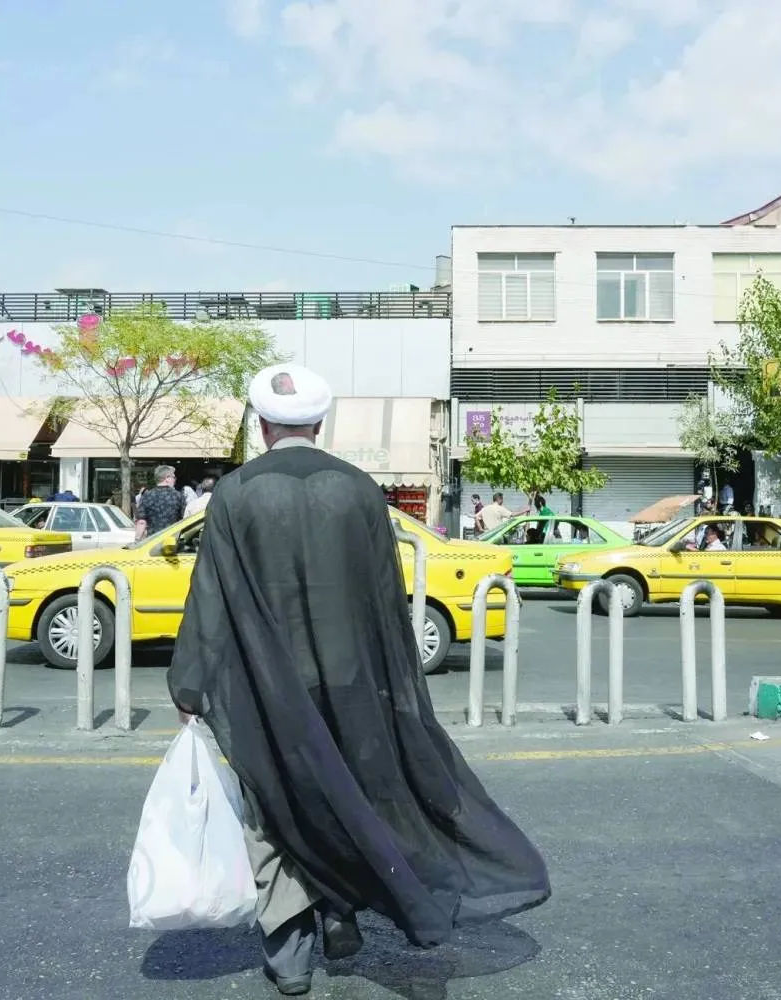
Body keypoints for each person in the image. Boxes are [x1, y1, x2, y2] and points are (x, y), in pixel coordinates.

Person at [166, 363, 550, 996]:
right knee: (345, 794)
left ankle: (290, 953)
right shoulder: (360, 490)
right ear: (320, 424)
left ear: (262, 426)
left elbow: (212, 597)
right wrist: (398, 688)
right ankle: (341, 915)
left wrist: (190, 685)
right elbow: (384, 598)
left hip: (267, 688)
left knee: (276, 806)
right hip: (349, 682)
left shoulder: (234, 494)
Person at [133, 465, 185, 540]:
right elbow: (184, 519)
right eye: (173, 477)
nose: (175, 480)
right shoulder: (178, 496)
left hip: (152, 541)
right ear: (167, 478)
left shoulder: (147, 496)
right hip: (172, 540)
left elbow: (141, 522)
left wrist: (137, 539)